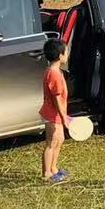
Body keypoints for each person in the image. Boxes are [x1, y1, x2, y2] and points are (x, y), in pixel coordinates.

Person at [39, 37, 73, 183]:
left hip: (56, 114)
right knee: (52, 142)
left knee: (60, 139)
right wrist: (63, 117)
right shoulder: (54, 74)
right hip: (52, 114)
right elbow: (57, 98)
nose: (68, 54)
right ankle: (47, 172)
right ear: (60, 55)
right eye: (66, 52)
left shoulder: (55, 71)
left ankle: (54, 168)